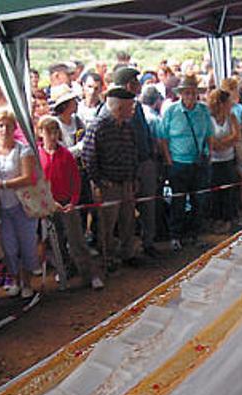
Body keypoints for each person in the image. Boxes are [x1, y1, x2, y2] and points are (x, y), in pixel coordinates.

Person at [38, 116, 104, 290]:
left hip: (68, 203)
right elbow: (38, 182)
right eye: (48, 131)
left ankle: (90, 273)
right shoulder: (38, 155)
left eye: (55, 131)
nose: (52, 135)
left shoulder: (65, 154)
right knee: (57, 241)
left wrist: (73, 201)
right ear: (40, 133)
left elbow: (75, 180)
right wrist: (49, 202)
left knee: (77, 240)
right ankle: (65, 269)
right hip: (50, 204)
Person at [0, 111, 39, 298]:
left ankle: (27, 282)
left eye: (8, 125)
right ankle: (15, 279)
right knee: (9, 248)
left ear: (14, 128)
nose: (4, 130)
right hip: (0, 208)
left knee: (27, 246)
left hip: (22, 206)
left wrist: (2, 184)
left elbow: (28, 177)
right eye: (0, 125)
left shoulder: (23, 150)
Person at [82, 87, 140, 270]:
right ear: (119, 107)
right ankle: (108, 259)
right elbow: (88, 157)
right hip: (108, 185)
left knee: (128, 221)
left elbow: (133, 153)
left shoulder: (127, 127)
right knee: (107, 225)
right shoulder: (98, 126)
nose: (132, 110)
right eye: (130, 106)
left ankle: (128, 254)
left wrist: (134, 178)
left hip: (126, 182)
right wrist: (98, 182)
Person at [159, 75, 214, 250]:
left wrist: (209, 153)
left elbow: (209, 135)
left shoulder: (204, 111)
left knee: (199, 200)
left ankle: (194, 235)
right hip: (178, 163)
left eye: (193, 93)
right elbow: (163, 138)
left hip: (199, 163)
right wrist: (169, 160)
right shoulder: (171, 112)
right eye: (187, 93)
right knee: (178, 201)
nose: (191, 97)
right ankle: (176, 236)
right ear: (181, 94)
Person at [112, 66, 160, 257]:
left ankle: (148, 243)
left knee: (149, 206)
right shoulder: (115, 108)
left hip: (145, 161)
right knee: (127, 211)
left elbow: (144, 134)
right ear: (127, 84)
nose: (139, 85)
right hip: (128, 167)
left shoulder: (137, 106)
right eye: (135, 82)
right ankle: (129, 250)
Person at [207, 88, 241, 232]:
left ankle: (228, 218)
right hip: (214, 162)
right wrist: (223, 143)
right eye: (228, 102)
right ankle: (216, 219)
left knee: (229, 191)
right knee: (215, 193)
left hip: (228, 159)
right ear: (221, 104)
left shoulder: (231, 117)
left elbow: (236, 135)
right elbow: (211, 140)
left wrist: (222, 143)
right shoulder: (209, 119)